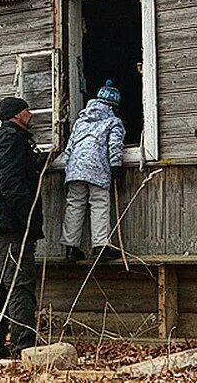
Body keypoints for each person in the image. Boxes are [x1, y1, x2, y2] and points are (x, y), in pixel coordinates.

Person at [0, 96, 44, 359]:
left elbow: (11, 173)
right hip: (10, 226)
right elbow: (11, 183)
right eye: (27, 110)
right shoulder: (11, 139)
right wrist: (26, 216)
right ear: (18, 115)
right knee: (19, 284)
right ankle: (23, 347)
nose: (31, 114)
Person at [60, 80, 125, 263]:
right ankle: (100, 246)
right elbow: (114, 146)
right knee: (99, 203)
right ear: (113, 106)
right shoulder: (113, 122)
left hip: (75, 170)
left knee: (75, 204)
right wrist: (116, 167)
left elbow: (69, 148)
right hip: (97, 169)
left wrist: (67, 170)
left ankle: (71, 248)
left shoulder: (81, 122)